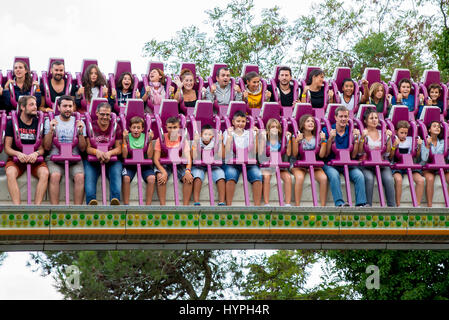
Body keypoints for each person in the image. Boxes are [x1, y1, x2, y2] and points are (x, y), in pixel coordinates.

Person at [4, 95, 49, 205]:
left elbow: (42, 149)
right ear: (22, 107)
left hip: (34, 159)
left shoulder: (39, 123)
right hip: (17, 159)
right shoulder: (12, 123)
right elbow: (7, 148)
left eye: (35, 105)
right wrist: (18, 154)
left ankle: (36, 207)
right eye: (31, 105)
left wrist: (36, 153)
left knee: (44, 173)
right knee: (10, 172)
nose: (35, 107)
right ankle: (17, 207)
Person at [43, 95, 86, 205]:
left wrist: (80, 133)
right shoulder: (50, 121)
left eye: (70, 106)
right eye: (65, 106)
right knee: (55, 176)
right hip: (55, 159)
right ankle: (55, 209)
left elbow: (82, 148)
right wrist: (51, 131)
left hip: (74, 159)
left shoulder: (79, 122)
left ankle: (77, 211)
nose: (67, 109)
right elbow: (47, 147)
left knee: (80, 176)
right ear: (58, 107)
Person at [321, 106, 367, 207]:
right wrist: (330, 139)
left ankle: (361, 204)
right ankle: (339, 203)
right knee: (334, 175)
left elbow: (354, 154)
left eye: (345, 116)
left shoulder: (351, 130)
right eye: (341, 116)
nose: (343, 119)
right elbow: (326, 154)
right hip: (331, 163)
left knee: (359, 176)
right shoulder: (327, 129)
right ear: (336, 117)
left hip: (347, 163)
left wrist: (356, 140)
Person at [84, 102, 123, 205]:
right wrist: (96, 152)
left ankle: (115, 200)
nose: (105, 117)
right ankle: (91, 202)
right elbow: (87, 148)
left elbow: (119, 148)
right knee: (89, 178)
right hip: (93, 158)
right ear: (97, 113)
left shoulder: (116, 126)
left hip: (112, 159)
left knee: (116, 173)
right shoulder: (91, 126)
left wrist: (109, 153)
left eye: (107, 115)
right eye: (102, 114)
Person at [222, 110, 262, 205]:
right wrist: (230, 136)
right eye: (238, 121)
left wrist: (256, 136)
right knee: (231, 175)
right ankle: (229, 205)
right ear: (233, 122)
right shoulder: (227, 132)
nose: (240, 124)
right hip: (232, 163)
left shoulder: (249, 133)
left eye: (243, 121)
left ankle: (257, 206)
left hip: (247, 163)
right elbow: (227, 150)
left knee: (257, 175)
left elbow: (255, 151)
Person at [358, 108, 395, 207]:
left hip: (381, 162)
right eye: (371, 118)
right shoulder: (363, 133)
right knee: (369, 179)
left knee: (389, 179)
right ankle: (368, 206)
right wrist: (362, 138)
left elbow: (387, 153)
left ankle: (392, 207)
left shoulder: (382, 132)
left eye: (376, 118)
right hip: (366, 163)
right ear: (365, 121)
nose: (374, 120)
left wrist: (388, 140)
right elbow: (359, 151)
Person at [153, 116, 193, 205]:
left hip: (178, 163)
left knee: (189, 178)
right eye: (170, 128)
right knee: (160, 177)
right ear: (166, 127)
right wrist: (163, 172)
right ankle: (162, 206)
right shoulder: (161, 139)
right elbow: (156, 159)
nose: (172, 130)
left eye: (175, 127)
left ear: (179, 128)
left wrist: (188, 171)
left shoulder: (183, 140)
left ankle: (185, 206)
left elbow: (188, 158)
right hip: (165, 164)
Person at [290, 114, 328, 206]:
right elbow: (294, 154)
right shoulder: (297, 136)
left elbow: (322, 155)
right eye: (308, 121)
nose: (311, 123)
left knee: (324, 178)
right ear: (303, 124)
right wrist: (296, 141)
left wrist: (323, 141)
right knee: (299, 178)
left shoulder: (317, 138)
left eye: (312, 121)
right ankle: (297, 206)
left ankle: (322, 207)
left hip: (313, 164)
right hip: (299, 165)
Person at [121, 116, 156, 205]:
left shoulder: (145, 137)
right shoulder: (127, 137)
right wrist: (124, 140)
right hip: (130, 164)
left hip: (144, 164)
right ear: (130, 128)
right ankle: (126, 205)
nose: (136, 130)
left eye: (138, 128)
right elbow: (124, 155)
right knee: (126, 178)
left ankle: (148, 206)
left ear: (142, 129)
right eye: (134, 128)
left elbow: (149, 155)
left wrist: (150, 141)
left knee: (152, 178)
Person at [390, 120, 424, 207]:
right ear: (396, 131)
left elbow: (416, 155)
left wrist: (419, 146)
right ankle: (398, 205)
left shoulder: (410, 140)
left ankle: (417, 205)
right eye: (401, 133)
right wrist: (394, 146)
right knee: (398, 180)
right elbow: (391, 157)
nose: (404, 135)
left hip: (409, 165)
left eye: (406, 133)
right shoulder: (394, 139)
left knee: (420, 180)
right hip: (397, 166)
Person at [259, 118, 292, 206]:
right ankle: (266, 203)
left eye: (276, 127)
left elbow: (288, 153)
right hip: (268, 165)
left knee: (288, 177)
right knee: (266, 177)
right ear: (268, 129)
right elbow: (261, 152)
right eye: (272, 127)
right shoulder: (266, 139)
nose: (274, 129)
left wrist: (289, 140)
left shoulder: (281, 140)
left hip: (279, 165)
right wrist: (262, 138)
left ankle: (288, 203)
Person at [191, 124, 226, 206]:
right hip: (199, 165)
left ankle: (221, 201)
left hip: (213, 164)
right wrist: (195, 143)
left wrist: (221, 142)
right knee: (197, 176)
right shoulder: (197, 141)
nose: (207, 137)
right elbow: (194, 156)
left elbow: (223, 155)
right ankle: (196, 201)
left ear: (213, 136)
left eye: (209, 135)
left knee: (221, 176)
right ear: (201, 135)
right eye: (205, 134)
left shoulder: (215, 142)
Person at [420, 121, 449, 207]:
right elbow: (424, 159)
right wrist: (427, 146)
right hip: (428, 167)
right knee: (430, 179)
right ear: (429, 130)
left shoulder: (444, 142)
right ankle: (429, 205)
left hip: (441, 167)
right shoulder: (424, 141)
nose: (437, 128)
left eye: (438, 127)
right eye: (434, 126)